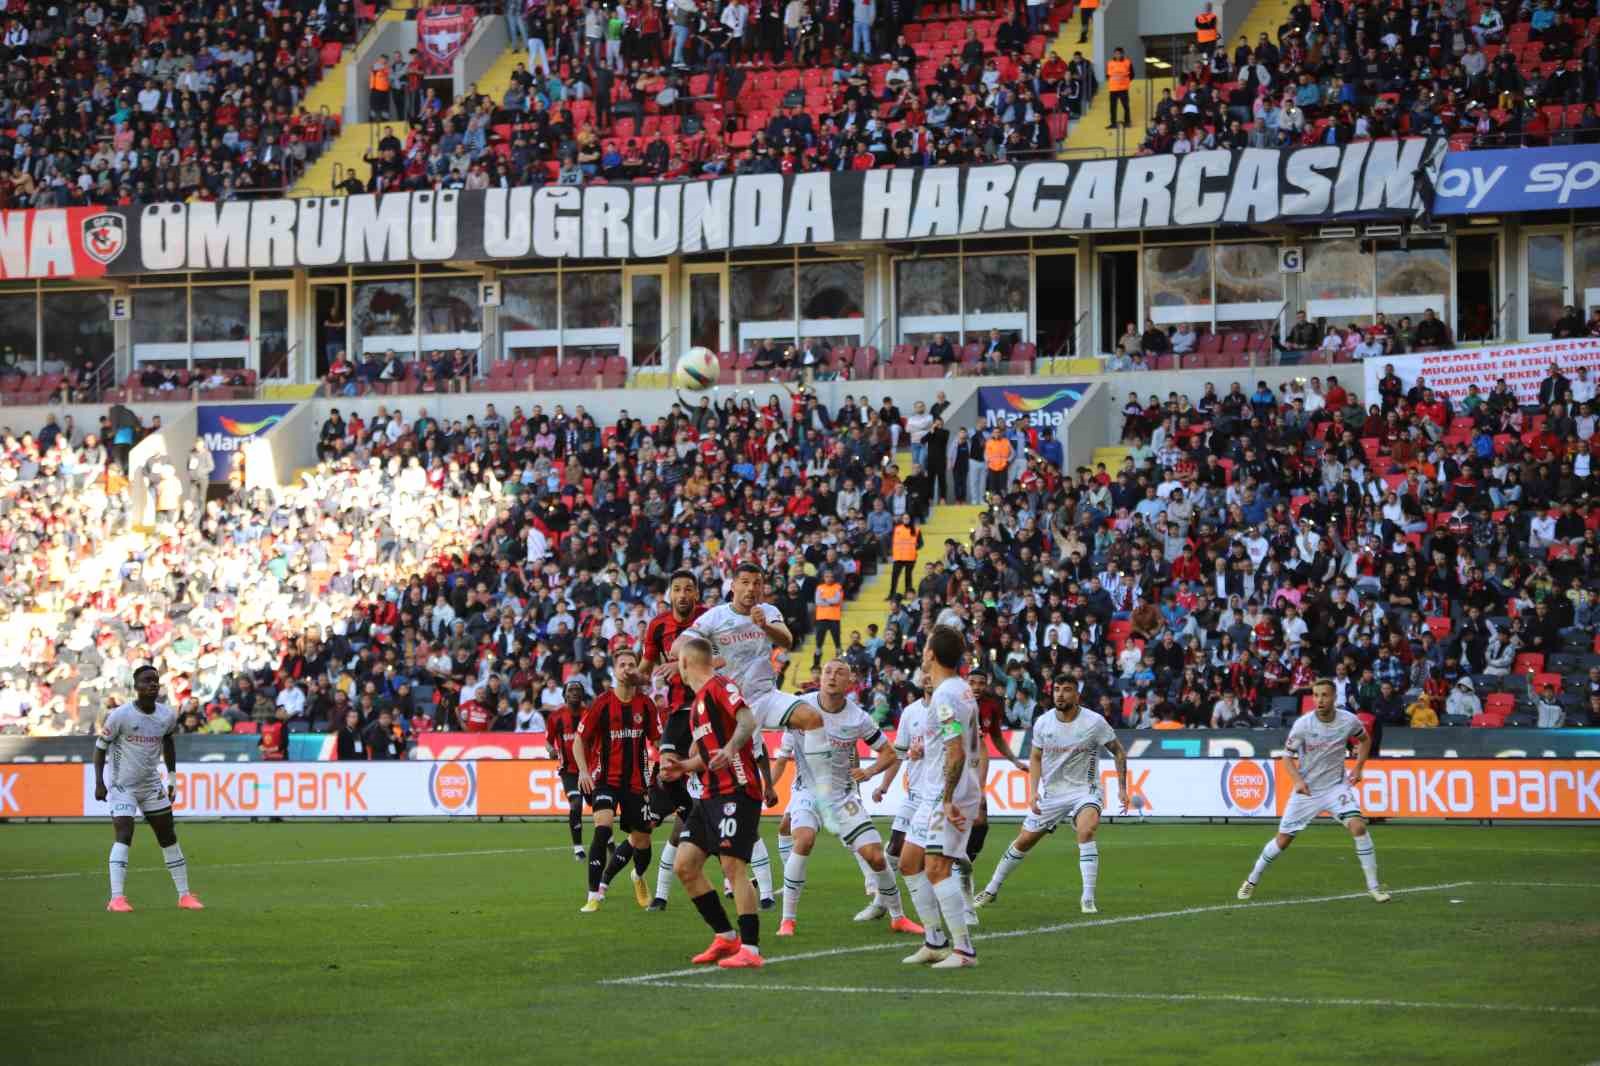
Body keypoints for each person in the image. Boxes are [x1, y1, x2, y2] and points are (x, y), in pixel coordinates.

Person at [769, 659, 923, 936]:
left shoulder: (858, 718)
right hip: (808, 790)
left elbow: (888, 753)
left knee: (876, 856)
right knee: (803, 838)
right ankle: (787, 920)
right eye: (828, 671)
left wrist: (870, 770)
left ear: (849, 682)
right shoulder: (798, 706)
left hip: (843, 795)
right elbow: (766, 721)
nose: (831, 676)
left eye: (839, 673)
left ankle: (898, 917)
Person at [976, 675, 1128, 913]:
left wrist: (1122, 788)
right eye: (1057, 689)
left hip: (1084, 790)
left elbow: (1118, 751)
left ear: (1077, 695)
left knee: (1086, 830)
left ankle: (1087, 898)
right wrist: (1033, 792)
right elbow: (1035, 757)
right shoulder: (1043, 723)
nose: (1060, 694)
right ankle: (991, 889)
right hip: (1053, 793)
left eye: (1067, 690)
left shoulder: (1094, 722)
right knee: (1024, 840)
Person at [659, 636, 766, 968]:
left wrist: (732, 749)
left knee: (732, 866)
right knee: (684, 866)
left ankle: (750, 949)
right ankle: (725, 936)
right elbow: (708, 756)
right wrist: (684, 767)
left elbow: (748, 721)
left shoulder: (721, 685)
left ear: (686, 662)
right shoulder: (697, 706)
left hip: (737, 789)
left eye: (677, 660)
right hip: (708, 795)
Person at [1237, 679, 1389, 903]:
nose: (1319, 700)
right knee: (1283, 841)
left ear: (1334, 698)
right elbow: (1287, 757)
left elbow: (1365, 739)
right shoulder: (1303, 725)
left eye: (1325, 695)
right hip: (1307, 791)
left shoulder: (1348, 720)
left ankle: (1374, 887)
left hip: (1336, 787)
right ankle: (1251, 880)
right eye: (1316, 695)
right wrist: (1297, 781)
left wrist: (1358, 767)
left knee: (1358, 826)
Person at [899, 625, 984, 969]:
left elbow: (956, 751)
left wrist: (948, 800)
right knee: (908, 862)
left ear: (931, 654)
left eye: (925, 647)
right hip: (935, 790)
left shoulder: (948, 695)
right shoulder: (958, 689)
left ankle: (964, 951)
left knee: (937, 869)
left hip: (947, 792)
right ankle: (934, 941)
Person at [94, 664, 203, 912]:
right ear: (136, 687)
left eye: (155, 680)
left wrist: (172, 778)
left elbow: (168, 742)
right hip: (123, 786)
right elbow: (100, 747)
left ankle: (184, 895)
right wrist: (99, 782)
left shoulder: (166, 715)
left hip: (151, 784)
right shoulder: (121, 715)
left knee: (168, 837)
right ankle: (117, 898)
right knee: (124, 835)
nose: (152, 684)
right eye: (146, 680)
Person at [574, 647, 660, 911]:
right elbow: (580, 741)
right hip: (605, 781)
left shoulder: (645, 704)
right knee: (602, 828)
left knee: (642, 840)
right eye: (621, 664)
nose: (626, 668)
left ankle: (639, 876)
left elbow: (656, 740)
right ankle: (593, 895)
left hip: (636, 783)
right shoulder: (602, 703)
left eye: (631, 664)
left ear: (637, 668)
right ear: (614, 670)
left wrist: (661, 764)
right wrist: (583, 771)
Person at [639, 569, 703, 911]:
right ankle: (661, 894)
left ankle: (755, 887)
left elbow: (728, 660)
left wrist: (683, 665)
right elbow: (646, 667)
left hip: (709, 708)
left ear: (696, 594)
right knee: (668, 773)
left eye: (688, 589)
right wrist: (630, 675)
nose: (683, 594)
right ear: (670, 594)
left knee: (723, 795)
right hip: (677, 714)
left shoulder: (711, 618)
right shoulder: (657, 626)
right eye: (677, 589)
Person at [545, 680, 590, 860]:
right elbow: (548, 741)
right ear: (564, 694)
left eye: (578, 690)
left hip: (590, 769)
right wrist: (551, 750)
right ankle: (578, 847)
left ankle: (608, 841)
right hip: (569, 771)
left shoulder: (589, 714)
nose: (574, 693)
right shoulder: (556, 716)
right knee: (576, 804)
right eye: (571, 690)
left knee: (600, 806)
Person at [813, 567, 844, 665]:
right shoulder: (819, 587)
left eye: (831, 577)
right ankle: (816, 665)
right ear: (823, 577)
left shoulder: (838, 587)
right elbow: (818, 602)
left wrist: (825, 600)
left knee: (837, 643)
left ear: (833, 578)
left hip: (834, 618)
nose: (829, 578)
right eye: (827, 576)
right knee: (819, 643)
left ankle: (840, 663)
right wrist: (830, 601)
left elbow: (837, 600)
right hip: (821, 618)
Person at [889, 515, 921, 599]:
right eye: (904, 518)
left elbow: (921, 543)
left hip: (910, 557)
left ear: (910, 519)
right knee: (894, 576)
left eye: (907, 518)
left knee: (908, 577)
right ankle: (891, 594)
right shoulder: (897, 528)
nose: (906, 520)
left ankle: (908, 594)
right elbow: (892, 540)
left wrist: (915, 547)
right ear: (902, 519)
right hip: (898, 557)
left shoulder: (916, 529)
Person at [983, 424, 1013, 499]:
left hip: (1003, 467)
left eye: (998, 432)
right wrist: (987, 462)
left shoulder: (1006, 441)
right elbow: (986, 454)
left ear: (1000, 433)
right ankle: (992, 503)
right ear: (992, 433)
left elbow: (1013, 452)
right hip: (992, 468)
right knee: (992, 488)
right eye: (995, 432)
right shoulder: (989, 442)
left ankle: (1005, 502)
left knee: (1003, 488)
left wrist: (1008, 461)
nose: (996, 433)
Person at [1105, 47, 1132, 127]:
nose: (1117, 55)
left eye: (1119, 53)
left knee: (1126, 106)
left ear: (1122, 54)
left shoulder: (1127, 62)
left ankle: (1127, 122)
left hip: (1123, 88)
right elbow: (1108, 75)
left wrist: (1124, 81)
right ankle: (1113, 123)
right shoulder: (1110, 63)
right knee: (1112, 107)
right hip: (1113, 89)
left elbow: (1132, 74)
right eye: (1116, 53)